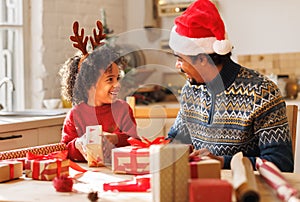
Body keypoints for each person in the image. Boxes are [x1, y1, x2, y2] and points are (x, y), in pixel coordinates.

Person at [167, 0, 294, 172]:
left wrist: (221, 162)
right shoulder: (190, 90)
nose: (177, 66)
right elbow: (176, 141)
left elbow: (281, 163)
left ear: (203, 59)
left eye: (180, 59)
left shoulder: (262, 92)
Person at [60, 21, 138, 162]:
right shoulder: (75, 115)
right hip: (87, 175)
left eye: (117, 78)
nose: (117, 84)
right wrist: (78, 144)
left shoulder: (122, 110)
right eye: (110, 79)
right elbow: (64, 149)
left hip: (118, 172)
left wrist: (115, 138)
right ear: (89, 84)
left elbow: (135, 140)